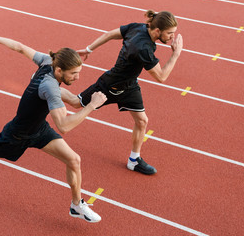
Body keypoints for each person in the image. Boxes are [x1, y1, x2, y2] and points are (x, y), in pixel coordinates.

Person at [0, 34, 107, 223]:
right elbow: (63, 126)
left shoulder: (47, 61)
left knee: (74, 160)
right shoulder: (50, 87)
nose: (77, 77)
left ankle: (76, 205)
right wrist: (91, 106)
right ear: (59, 70)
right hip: (17, 134)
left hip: (39, 129)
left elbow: (19, 47)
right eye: (74, 73)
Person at [61, 10, 183, 175]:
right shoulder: (143, 48)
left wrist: (89, 49)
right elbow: (161, 77)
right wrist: (175, 54)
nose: (172, 37)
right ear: (157, 31)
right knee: (76, 102)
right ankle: (46, 86)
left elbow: (109, 34)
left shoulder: (138, 27)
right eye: (170, 33)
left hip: (129, 86)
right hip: (110, 86)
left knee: (142, 121)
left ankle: (134, 160)